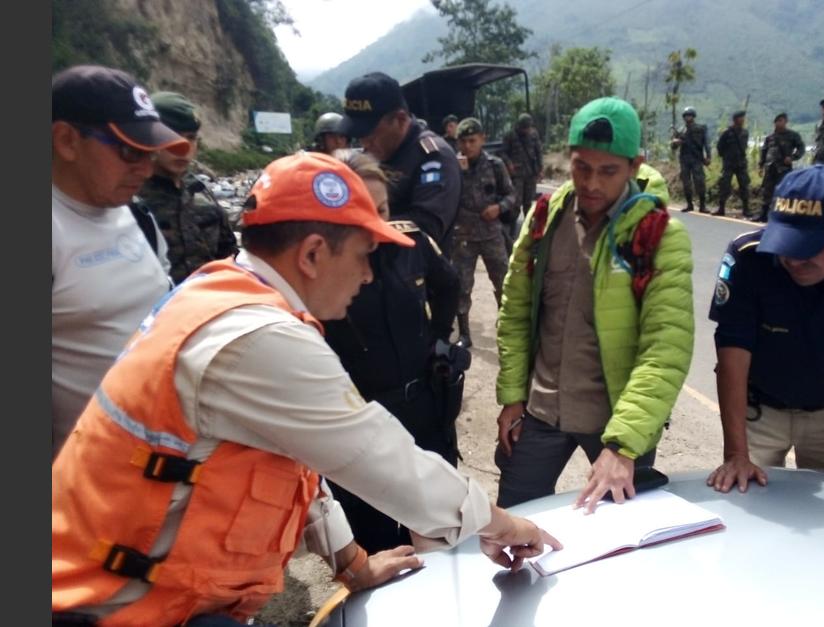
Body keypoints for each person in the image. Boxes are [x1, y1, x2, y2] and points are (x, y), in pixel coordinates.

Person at [52, 152, 560, 626]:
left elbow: (297, 467)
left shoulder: (226, 294)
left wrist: (353, 565)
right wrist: (510, 527)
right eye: (365, 255)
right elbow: (384, 460)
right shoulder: (260, 337)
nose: (368, 275)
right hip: (106, 606)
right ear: (314, 253)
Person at [495, 97, 694, 513]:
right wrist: (513, 397)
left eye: (608, 171)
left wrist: (623, 446)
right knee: (513, 525)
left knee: (625, 541)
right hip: (540, 411)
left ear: (634, 166)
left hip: (616, 421)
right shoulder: (545, 218)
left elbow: (665, 348)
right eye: (581, 167)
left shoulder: (659, 234)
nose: (591, 184)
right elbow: (514, 311)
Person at [706, 165, 824, 493]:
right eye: (787, 243)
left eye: (810, 246)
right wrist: (736, 453)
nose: (794, 259)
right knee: (749, 510)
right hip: (759, 413)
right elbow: (732, 353)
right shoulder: (750, 257)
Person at [322, 149, 467, 553]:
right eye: (361, 210)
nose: (376, 223)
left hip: (423, 407)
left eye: (382, 208)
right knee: (378, 537)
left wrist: (439, 335)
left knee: (441, 524)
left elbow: (449, 284)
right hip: (362, 420)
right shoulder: (321, 266)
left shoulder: (412, 240)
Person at [51, 65, 188, 458]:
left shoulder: (138, 217)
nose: (145, 169)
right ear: (66, 141)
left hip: (163, 463)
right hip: (85, 484)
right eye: (129, 151)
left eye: (149, 153)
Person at [341, 71, 461, 255]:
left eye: (372, 134)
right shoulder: (372, 155)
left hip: (415, 277)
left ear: (400, 119)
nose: (365, 144)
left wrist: (355, 230)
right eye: (359, 136)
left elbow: (426, 228)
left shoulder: (433, 156)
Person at [137, 91, 239, 285]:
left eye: (190, 138)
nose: (182, 147)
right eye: (172, 136)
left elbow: (230, 259)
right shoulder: (131, 201)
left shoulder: (202, 196)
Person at [451, 117, 515, 348]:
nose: (467, 146)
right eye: (463, 141)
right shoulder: (453, 166)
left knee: (504, 283)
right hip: (463, 237)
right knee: (462, 286)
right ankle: (464, 334)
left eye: (472, 140)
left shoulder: (495, 165)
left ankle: (507, 328)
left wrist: (499, 207)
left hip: (491, 234)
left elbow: (511, 195)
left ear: (482, 140)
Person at [501, 112, 543, 253]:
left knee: (529, 204)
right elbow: (503, 152)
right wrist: (509, 164)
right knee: (515, 204)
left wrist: (540, 168)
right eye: (524, 128)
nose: (526, 130)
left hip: (530, 173)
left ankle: (531, 233)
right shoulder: (510, 135)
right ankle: (512, 233)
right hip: (517, 175)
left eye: (528, 128)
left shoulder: (533, 134)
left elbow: (538, 151)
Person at [755, 112, 805, 222]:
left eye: (781, 121)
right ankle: (763, 215)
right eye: (777, 121)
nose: (779, 123)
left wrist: (792, 157)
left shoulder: (792, 136)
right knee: (767, 191)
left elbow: (801, 148)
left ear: (786, 122)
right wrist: (761, 165)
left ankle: (780, 216)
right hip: (770, 167)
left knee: (783, 192)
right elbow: (764, 152)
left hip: (783, 169)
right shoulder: (770, 137)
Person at [670, 106, 711, 213]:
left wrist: (708, 156)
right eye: (686, 116)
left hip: (697, 158)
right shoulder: (680, 130)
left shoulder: (701, 128)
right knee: (686, 183)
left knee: (700, 182)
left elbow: (706, 143)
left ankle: (702, 205)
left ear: (693, 116)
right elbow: (673, 147)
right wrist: (676, 143)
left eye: (690, 115)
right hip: (685, 159)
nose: (688, 118)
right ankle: (689, 205)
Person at [715, 110, 750, 217]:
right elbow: (720, 147)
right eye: (740, 118)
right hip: (729, 163)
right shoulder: (727, 132)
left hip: (741, 163)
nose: (743, 120)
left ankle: (746, 209)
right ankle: (721, 208)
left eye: (743, 118)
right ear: (735, 120)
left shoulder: (745, 133)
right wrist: (726, 157)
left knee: (744, 186)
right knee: (724, 185)